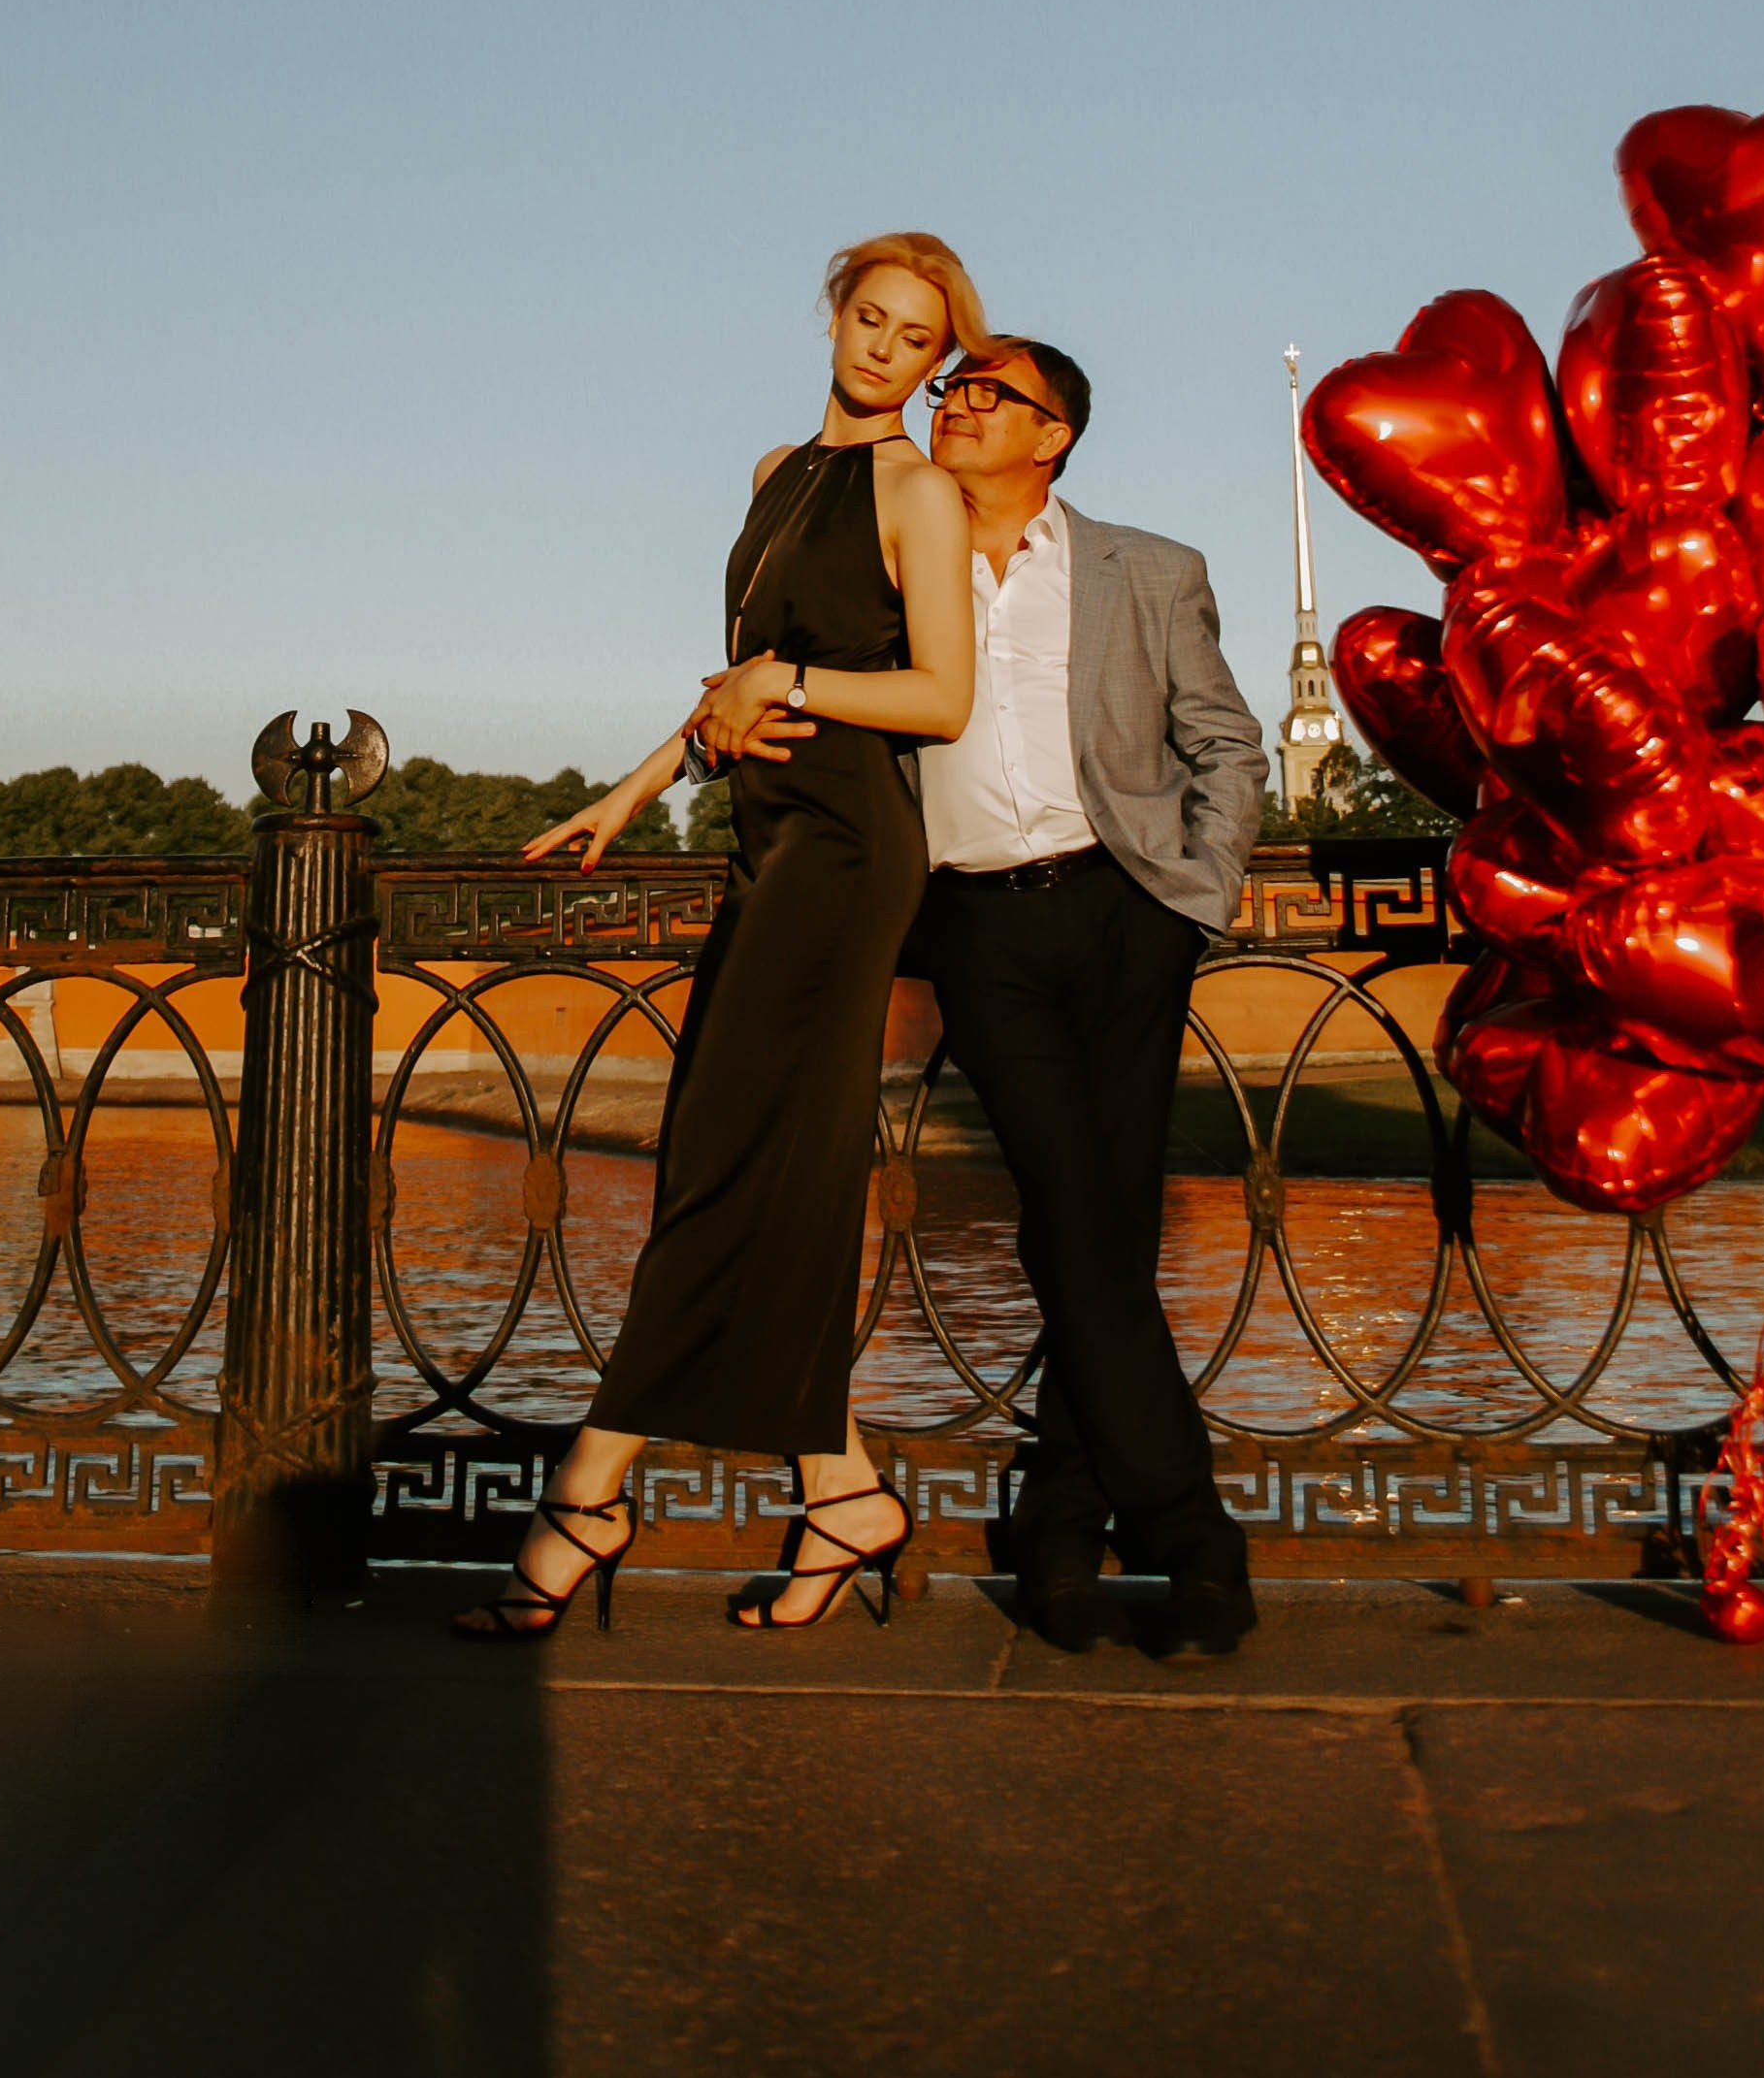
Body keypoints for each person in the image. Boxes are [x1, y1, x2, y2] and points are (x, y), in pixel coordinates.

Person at [453, 233, 979, 1643]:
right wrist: (634, 788)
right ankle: (842, 1488)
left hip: (850, 847)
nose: (881, 347)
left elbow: (938, 697)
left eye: (913, 336)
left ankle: (587, 1494)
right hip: (763, 838)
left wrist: (792, 678)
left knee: (719, 1163)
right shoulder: (773, 475)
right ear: (832, 321)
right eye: (868, 318)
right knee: (748, 1157)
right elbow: (731, 681)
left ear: (934, 364)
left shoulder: (915, 491)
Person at [909, 339, 1268, 1658]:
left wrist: (1191, 896)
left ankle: (1060, 1524)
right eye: (950, 386)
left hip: (1124, 914)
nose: (954, 401)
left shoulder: (1147, 568)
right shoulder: (896, 558)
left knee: (1099, 1227)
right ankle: (1188, 1530)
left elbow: (1224, 742)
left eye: (984, 390)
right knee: (1073, 1209)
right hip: (973, 919)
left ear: (1052, 434)